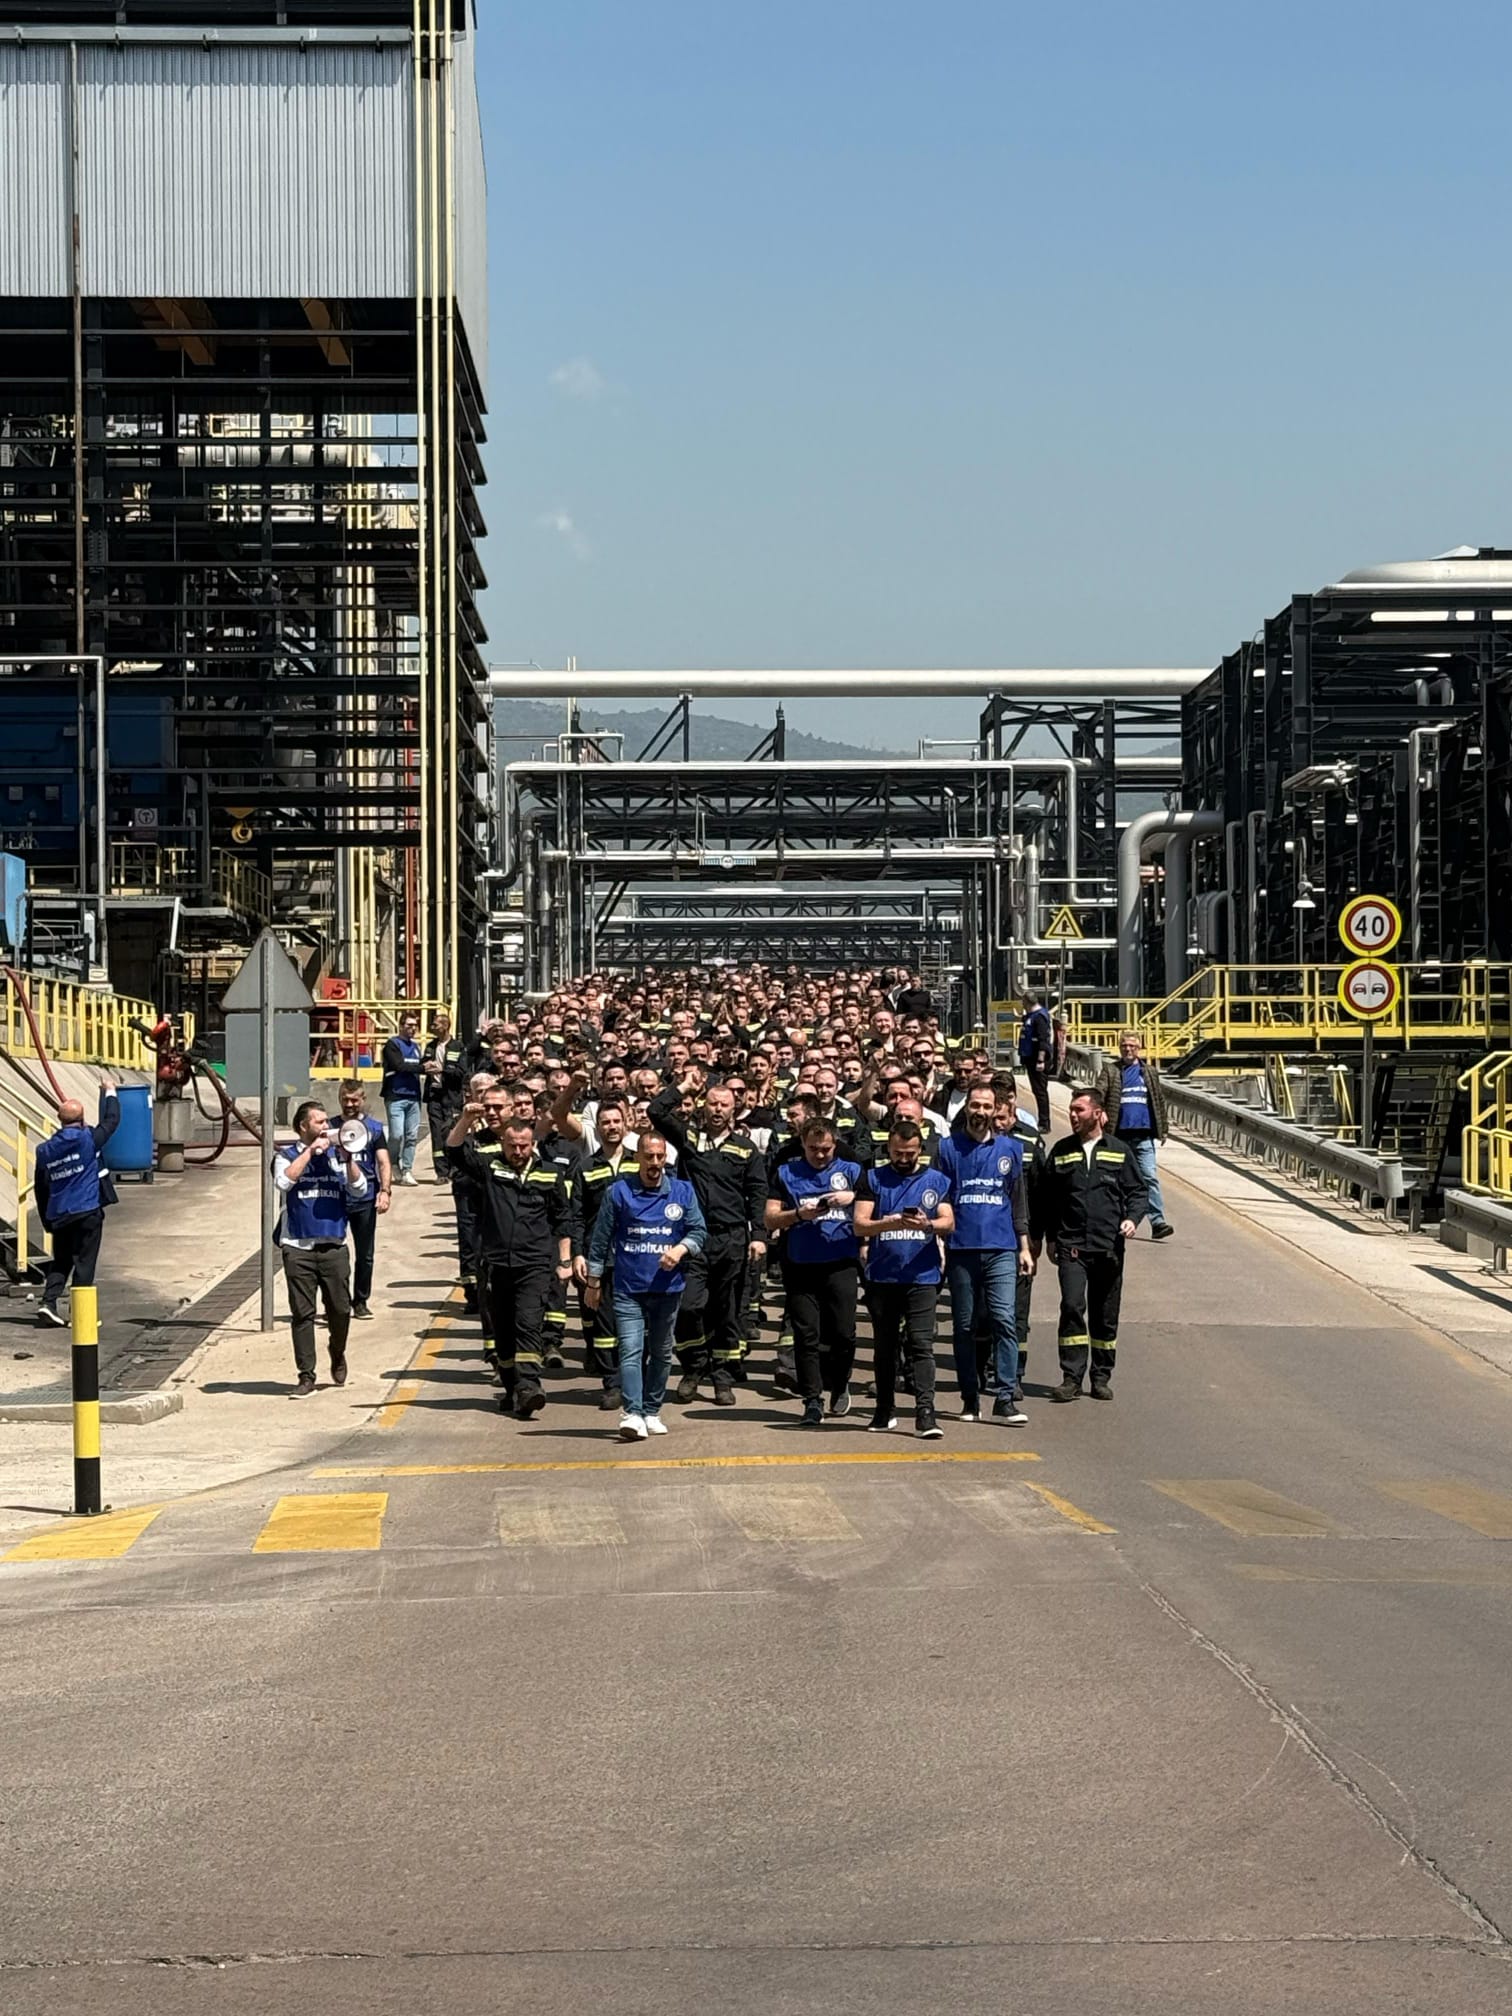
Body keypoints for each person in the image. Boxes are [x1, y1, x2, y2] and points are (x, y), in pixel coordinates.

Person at [447, 1101, 576, 1419]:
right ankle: (511, 1387)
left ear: (533, 1145)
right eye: (512, 1146)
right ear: (503, 1144)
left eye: (524, 1146)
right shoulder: (490, 1168)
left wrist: (564, 1261)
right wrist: (465, 1120)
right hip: (495, 1266)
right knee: (502, 1332)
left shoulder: (550, 1174)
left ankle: (530, 1386)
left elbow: (563, 1220)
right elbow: (454, 1152)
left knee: (528, 1324)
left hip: (534, 1265)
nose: (518, 1151)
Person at [651, 1074, 768, 1408]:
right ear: (703, 1105)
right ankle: (693, 1367)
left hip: (732, 1237)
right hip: (693, 1237)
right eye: (713, 1103)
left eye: (725, 1105)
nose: (718, 1110)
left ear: (735, 1109)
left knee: (726, 1310)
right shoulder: (689, 1138)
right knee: (688, 1306)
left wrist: (758, 1236)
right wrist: (683, 1087)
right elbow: (657, 1113)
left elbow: (757, 1193)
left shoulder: (746, 1150)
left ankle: (722, 1375)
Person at [585, 1131, 706, 1442]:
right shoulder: (618, 1192)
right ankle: (632, 1412)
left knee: (662, 1353)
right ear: (636, 1157)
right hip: (628, 1288)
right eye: (648, 1156)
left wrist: (680, 1250)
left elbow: (698, 1231)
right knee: (630, 1350)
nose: (654, 1162)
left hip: (668, 1288)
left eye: (659, 1156)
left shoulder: (682, 1191)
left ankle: (652, 1411)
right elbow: (600, 1240)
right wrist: (594, 1282)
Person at [1035, 1085, 1148, 1402]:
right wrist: (1049, 1238)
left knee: (1105, 1314)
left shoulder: (1118, 1150)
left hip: (1108, 1248)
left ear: (1097, 1113)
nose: (1072, 1115)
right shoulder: (1061, 1151)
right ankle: (1071, 1377)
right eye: (1071, 1110)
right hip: (1072, 1247)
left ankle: (1101, 1376)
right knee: (1072, 1306)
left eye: (1079, 1110)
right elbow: (1046, 1199)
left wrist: (1132, 1219)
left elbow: (1138, 1192)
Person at [937, 1084, 1033, 1423]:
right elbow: (940, 1199)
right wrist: (940, 1245)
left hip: (1002, 1248)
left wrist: (1024, 1246)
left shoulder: (1012, 1149)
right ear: (967, 1108)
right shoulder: (947, 1149)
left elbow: (1017, 1201)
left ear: (996, 1110)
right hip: (961, 1248)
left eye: (986, 1106)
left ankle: (1005, 1396)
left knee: (1004, 1319)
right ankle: (968, 1398)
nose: (980, 1111)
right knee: (963, 1325)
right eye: (974, 1105)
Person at [853, 1118, 952, 1438]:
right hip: (882, 1276)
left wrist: (927, 1225)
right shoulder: (872, 1178)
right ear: (889, 1149)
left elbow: (948, 1221)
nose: (904, 1158)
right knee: (884, 1347)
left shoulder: (937, 1180)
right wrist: (892, 1220)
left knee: (921, 1344)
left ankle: (926, 1413)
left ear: (920, 1149)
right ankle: (884, 1410)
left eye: (910, 1153)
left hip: (922, 1275)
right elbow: (860, 1224)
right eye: (898, 1152)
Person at [765, 1118, 864, 1427]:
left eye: (826, 1150)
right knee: (805, 1335)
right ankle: (812, 1400)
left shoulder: (852, 1172)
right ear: (802, 1144)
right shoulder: (786, 1173)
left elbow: (877, 1206)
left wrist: (854, 1197)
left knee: (843, 1333)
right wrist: (797, 1214)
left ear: (835, 1145)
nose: (820, 1155)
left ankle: (840, 1383)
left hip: (841, 1262)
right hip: (800, 1264)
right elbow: (769, 1219)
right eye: (813, 1149)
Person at [273, 1100, 370, 1395]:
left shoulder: (338, 1157)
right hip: (298, 1246)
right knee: (302, 1313)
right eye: (320, 1123)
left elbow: (360, 1188)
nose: (326, 1127)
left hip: (333, 1246)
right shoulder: (286, 1155)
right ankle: (306, 1375)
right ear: (304, 1126)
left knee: (340, 1309)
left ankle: (337, 1351)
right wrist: (308, 1153)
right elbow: (283, 1181)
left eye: (327, 1122)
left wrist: (348, 1158)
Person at [33, 1077, 120, 1326]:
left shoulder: (44, 1150)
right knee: (84, 1261)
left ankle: (48, 1303)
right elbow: (112, 1121)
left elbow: (41, 1187)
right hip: (87, 1211)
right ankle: (80, 1315)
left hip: (59, 1214)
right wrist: (111, 1092)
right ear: (81, 1120)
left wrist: (47, 1221)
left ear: (60, 1120)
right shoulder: (87, 1139)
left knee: (61, 1260)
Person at [572, 1097, 636, 1410]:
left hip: (638, 1257)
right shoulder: (585, 1168)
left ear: (627, 1124)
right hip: (602, 1258)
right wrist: (577, 1254)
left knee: (638, 1322)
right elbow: (576, 1216)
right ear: (597, 1128)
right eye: (605, 1122)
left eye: (616, 1121)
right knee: (605, 1325)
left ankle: (635, 1380)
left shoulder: (643, 1163)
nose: (611, 1127)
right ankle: (612, 1383)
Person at [1097, 1031, 1174, 1239]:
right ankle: (1120, 1220)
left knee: (1149, 1177)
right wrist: (1100, 1111)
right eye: (1124, 1046)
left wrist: (1163, 1128)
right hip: (1119, 1136)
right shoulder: (1111, 1071)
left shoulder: (1148, 1072)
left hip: (1143, 1136)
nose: (1128, 1049)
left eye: (1131, 1046)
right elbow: (1099, 1093)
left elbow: (1158, 1100)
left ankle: (1157, 1222)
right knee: (1118, 1180)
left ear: (1139, 1048)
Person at [335, 1080, 391, 1319]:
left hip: (365, 1198)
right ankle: (338, 1302)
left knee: (365, 1254)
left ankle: (360, 1300)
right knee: (334, 1254)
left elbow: (383, 1162)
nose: (349, 1104)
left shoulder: (375, 1129)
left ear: (362, 1100)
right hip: (335, 1198)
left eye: (354, 1099)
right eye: (345, 1099)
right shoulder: (330, 1128)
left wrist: (385, 1191)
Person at [421, 1010, 468, 1180]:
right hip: (434, 1095)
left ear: (445, 1026)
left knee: (451, 1131)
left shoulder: (458, 1047)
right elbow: (422, 1063)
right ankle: (441, 1172)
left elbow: (462, 1072)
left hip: (451, 1096)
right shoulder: (431, 1046)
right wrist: (426, 1066)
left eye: (435, 1024)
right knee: (436, 1133)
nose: (432, 1027)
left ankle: (454, 1168)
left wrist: (443, 1070)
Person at [381, 1011, 425, 1185]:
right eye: (409, 1025)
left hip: (414, 1096)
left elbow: (416, 1065)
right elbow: (398, 1065)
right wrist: (423, 1068)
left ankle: (407, 1169)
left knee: (411, 1136)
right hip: (396, 1095)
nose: (412, 1029)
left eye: (415, 1025)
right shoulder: (392, 1045)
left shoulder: (415, 1047)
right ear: (400, 1026)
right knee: (396, 1135)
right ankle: (392, 1164)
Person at [1018, 989, 1054, 1132]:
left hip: (1037, 1059)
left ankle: (1044, 1123)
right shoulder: (1031, 1016)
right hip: (1029, 1058)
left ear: (1026, 1001)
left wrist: (1041, 1060)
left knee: (1040, 1091)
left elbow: (1043, 1040)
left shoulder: (1040, 1017)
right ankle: (1042, 1121)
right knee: (1036, 1090)